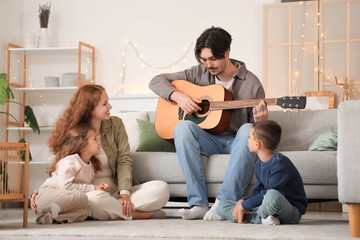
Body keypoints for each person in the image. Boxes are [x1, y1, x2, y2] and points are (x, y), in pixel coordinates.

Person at [149, 26, 268, 221]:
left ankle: (224, 203)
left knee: (249, 129)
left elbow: (258, 134)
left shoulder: (252, 83)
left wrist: (261, 122)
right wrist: (178, 96)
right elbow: (156, 80)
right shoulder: (198, 74)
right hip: (207, 139)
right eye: (204, 60)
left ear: (227, 53)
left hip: (236, 142)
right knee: (182, 127)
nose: (208, 64)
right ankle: (199, 204)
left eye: (213, 59)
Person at [32, 84, 170, 220]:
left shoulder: (116, 124)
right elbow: (62, 168)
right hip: (90, 194)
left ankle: (108, 210)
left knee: (161, 189)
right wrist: (41, 192)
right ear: (90, 108)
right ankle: (134, 213)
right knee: (95, 200)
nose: (110, 106)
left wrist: (125, 194)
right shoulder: (74, 132)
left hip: (116, 191)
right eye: (105, 104)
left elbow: (124, 159)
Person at [217, 120, 308, 225]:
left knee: (272, 195)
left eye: (249, 137)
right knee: (222, 205)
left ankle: (257, 217)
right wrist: (242, 202)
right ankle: (262, 218)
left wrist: (243, 206)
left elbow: (268, 193)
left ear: (257, 144)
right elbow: (257, 192)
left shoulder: (280, 164)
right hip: (266, 206)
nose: (247, 139)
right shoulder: (259, 165)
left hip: (290, 211)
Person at [35, 124, 109, 224]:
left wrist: (100, 188)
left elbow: (84, 188)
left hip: (66, 200)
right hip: (48, 195)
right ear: (83, 146)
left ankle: (51, 217)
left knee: (84, 212)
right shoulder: (70, 161)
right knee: (82, 198)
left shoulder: (90, 166)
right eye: (94, 139)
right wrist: (93, 188)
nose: (99, 142)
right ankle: (49, 210)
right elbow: (65, 187)